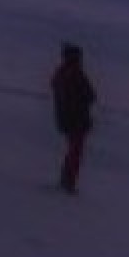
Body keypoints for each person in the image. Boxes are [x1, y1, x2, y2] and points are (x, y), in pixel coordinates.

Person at [51, 42, 97, 194]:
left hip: (66, 119)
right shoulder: (75, 74)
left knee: (73, 150)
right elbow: (91, 95)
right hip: (76, 120)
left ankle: (66, 180)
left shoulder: (60, 73)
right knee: (75, 152)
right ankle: (68, 182)